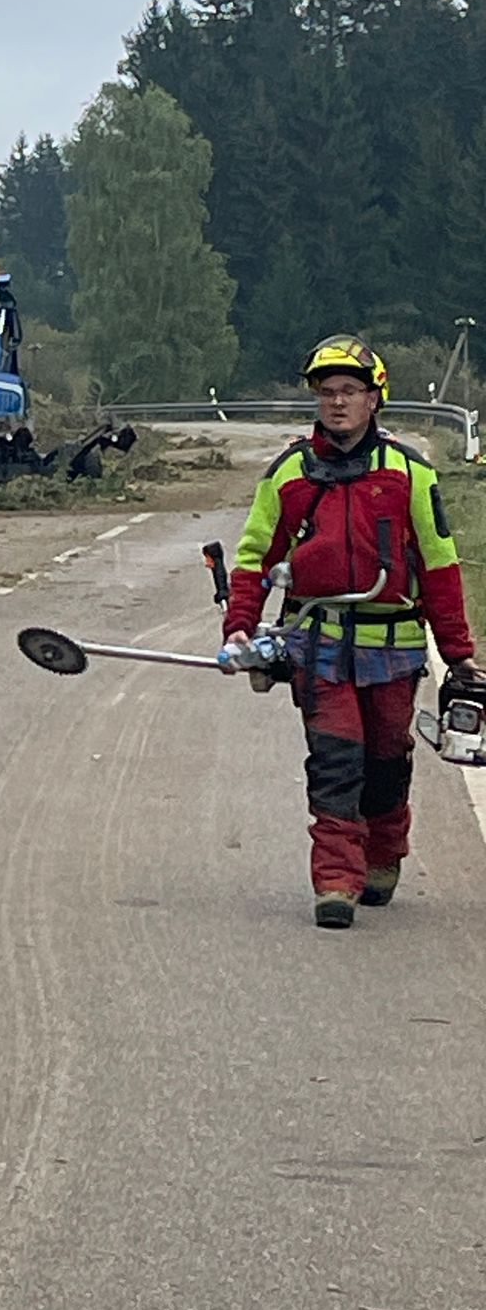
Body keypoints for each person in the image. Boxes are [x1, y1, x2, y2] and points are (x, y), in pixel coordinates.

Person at [220, 336, 479, 929]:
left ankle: (383, 854)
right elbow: (256, 555)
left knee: (387, 760)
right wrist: (240, 626)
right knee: (335, 761)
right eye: (327, 392)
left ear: (373, 399)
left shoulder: (409, 473)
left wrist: (458, 652)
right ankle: (336, 879)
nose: (337, 403)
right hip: (318, 642)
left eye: (349, 392)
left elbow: (439, 564)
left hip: (395, 647)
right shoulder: (288, 473)